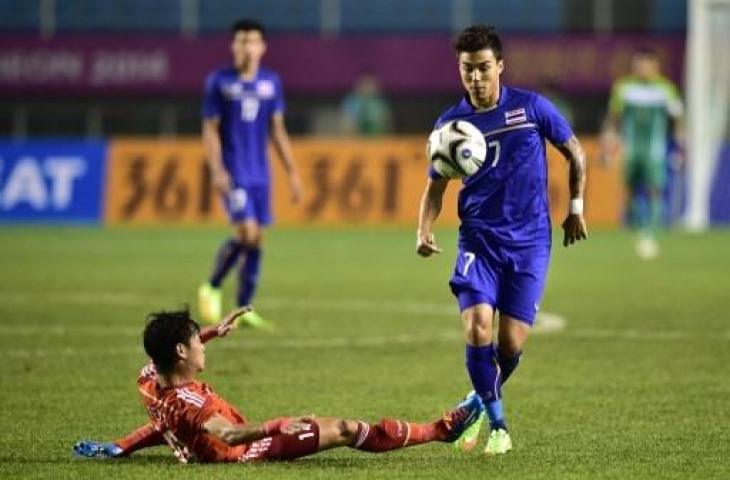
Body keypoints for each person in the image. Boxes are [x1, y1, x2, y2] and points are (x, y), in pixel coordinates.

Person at [416, 25, 587, 455]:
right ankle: (499, 425)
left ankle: (471, 407)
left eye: (483, 68)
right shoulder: (450, 125)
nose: (475, 78)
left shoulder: (531, 108)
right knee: (477, 327)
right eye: (467, 69)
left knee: (510, 344)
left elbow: (576, 153)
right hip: (479, 241)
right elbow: (436, 187)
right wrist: (424, 228)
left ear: (500, 67)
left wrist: (577, 208)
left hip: (530, 242)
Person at [73, 307, 484, 463]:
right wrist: (276, 425)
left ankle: (441, 431)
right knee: (343, 429)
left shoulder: (149, 379)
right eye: (198, 342)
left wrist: (121, 446)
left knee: (342, 427)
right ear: (181, 351)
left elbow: (162, 426)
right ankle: (443, 430)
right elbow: (229, 434)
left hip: (212, 441)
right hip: (244, 451)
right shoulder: (193, 406)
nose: (203, 347)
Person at [198, 18, 303, 327]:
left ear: (263, 47)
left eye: (252, 41)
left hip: (260, 173)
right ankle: (212, 286)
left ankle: (244, 308)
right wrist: (217, 170)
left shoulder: (271, 82)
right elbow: (209, 130)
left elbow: (278, 131)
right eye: (241, 41)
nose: (247, 47)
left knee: (258, 240)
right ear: (233, 46)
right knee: (247, 232)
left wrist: (293, 173)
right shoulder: (219, 82)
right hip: (234, 171)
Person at [600, 47, 684, 259]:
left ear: (655, 66)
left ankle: (653, 231)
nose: (642, 69)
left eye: (646, 65)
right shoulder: (624, 88)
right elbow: (613, 118)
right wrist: (608, 142)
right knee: (630, 188)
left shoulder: (666, 89)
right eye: (638, 65)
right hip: (630, 148)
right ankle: (637, 227)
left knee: (655, 188)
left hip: (655, 149)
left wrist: (681, 146)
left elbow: (678, 120)